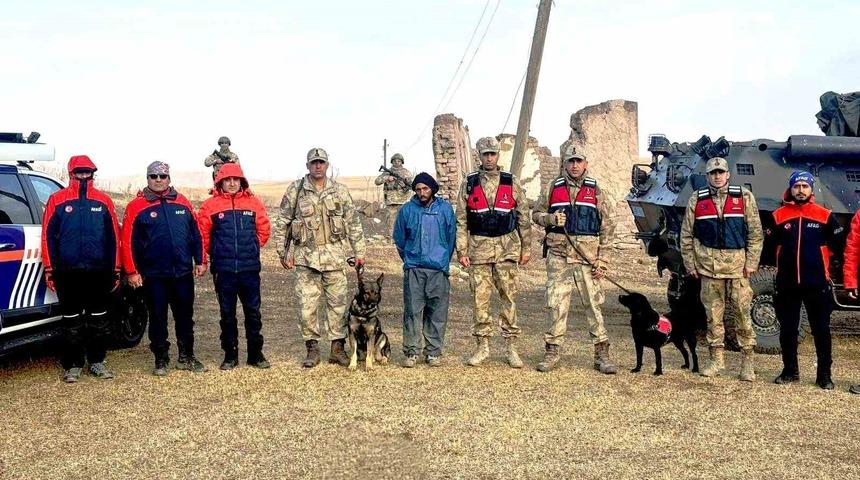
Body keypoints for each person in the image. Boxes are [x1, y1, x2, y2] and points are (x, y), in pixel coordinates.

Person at [275, 147, 366, 368]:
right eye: (314, 162)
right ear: (307, 165)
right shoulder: (296, 190)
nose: (318, 166)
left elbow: (353, 223)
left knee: (338, 305)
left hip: (335, 258)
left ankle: (337, 348)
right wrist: (282, 252)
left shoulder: (340, 191)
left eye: (321, 162)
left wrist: (359, 253)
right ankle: (312, 348)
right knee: (307, 306)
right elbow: (282, 222)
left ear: (327, 165)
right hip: (306, 258)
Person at [531, 143, 617, 374]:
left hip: (587, 259)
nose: (575, 165)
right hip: (559, 256)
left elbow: (608, 226)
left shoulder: (596, 189)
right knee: (557, 304)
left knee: (593, 305)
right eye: (571, 161)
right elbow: (536, 215)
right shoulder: (553, 187)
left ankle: (601, 353)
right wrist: (550, 220)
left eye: (579, 161)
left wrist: (603, 260)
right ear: (565, 164)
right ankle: (552, 351)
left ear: (585, 163)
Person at [680, 156, 763, 381]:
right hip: (709, 269)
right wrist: (691, 264)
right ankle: (716, 360)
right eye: (712, 173)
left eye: (721, 172)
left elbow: (756, 233)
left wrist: (751, 263)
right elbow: (686, 235)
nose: (717, 176)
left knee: (743, 316)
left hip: (738, 269)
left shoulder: (744, 197)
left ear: (728, 174)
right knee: (713, 317)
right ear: (707, 176)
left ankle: (747, 363)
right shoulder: (697, 199)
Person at [121, 161, 207, 376]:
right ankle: (161, 358)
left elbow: (196, 234)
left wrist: (201, 260)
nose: (158, 180)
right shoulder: (136, 206)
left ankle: (187, 356)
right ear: (147, 178)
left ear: (169, 178)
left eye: (162, 176)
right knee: (157, 316)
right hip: (153, 275)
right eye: (153, 176)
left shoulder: (183, 203)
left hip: (182, 273)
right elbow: (127, 241)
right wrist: (132, 271)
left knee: (185, 317)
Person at [41, 155, 121, 383]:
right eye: (80, 172)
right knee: (71, 321)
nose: (84, 175)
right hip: (67, 271)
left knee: (98, 319)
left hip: (99, 271)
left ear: (93, 173)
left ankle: (97, 362)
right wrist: (50, 269)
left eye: (88, 172)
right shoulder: (56, 199)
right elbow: (48, 237)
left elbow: (114, 237)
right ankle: (73, 365)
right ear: (71, 173)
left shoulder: (104, 201)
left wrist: (115, 269)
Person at [456, 136, 532, 368]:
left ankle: (511, 348)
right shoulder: (468, 183)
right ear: (479, 156)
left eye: (493, 154)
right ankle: (482, 347)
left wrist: (526, 247)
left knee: (508, 299)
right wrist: (462, 250)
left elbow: (523, 216)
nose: (489, 158)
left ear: (498, 155)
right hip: (478, 251)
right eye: (485, 154)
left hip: (507, 250)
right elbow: (461, 219)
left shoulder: (511, 182)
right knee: (480, 301)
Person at [197, 163, 271, 370]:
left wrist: (253, 244)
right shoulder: (210, 205)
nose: (231, 183)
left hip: (249, 268)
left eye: (235, 180)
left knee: (253, 313)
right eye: (227, 180)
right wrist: (215, 252)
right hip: (224, 269)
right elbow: (203, 236)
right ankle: (230, 355)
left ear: (241, 182)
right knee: (227, 313)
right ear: (220, 182)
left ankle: (255, 354)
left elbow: (264, 229)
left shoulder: (254, 203)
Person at [771, 171, 840, 389]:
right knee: (788, 329)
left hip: (817, 283)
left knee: (821, 330)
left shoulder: (825, 215)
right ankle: (790, 370)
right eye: (796, 186)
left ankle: (824, 375)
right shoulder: (778, 216)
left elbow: (837, 246)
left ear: (811, 189)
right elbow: (768, 248)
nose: (800, 190)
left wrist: (823, 264)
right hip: (787, 284)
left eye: (805, 186)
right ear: (790, 189)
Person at [393, 172, 456, 367]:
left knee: (437, 312)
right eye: (418, 189)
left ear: (433, 189)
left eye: (425, 188)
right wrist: (410, 259)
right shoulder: (407, 210)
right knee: (412, 311)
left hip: (438, 269)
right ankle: (412, 351)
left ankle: (433, 352)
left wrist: (443, 259)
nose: (422, 192)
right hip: (414, 269)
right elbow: (400, 239)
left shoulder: (445, 209)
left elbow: (451, 236)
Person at [375, 153, 414, 233]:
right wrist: (387, 178)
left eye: (399, 161)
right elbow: (377, 181)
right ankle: (392, 239)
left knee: (404, 221)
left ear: (402, 162)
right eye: (395, 161)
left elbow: (411, 185)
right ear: (392, 162)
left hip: (403, 200)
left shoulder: (406, 173)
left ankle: (405, 238)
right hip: (391, 200)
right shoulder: (387, 172)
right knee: (391, 222)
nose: (396, 162)